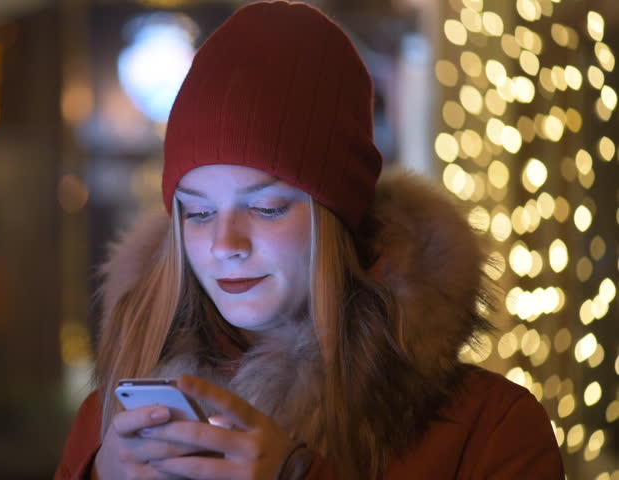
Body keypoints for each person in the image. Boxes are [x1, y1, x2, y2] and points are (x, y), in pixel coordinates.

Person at [54, 1, 564, 479]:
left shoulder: (490, 429)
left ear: (337, 216)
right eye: (199, 211)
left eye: (266, 207)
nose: (225, 243)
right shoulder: (109, 432)